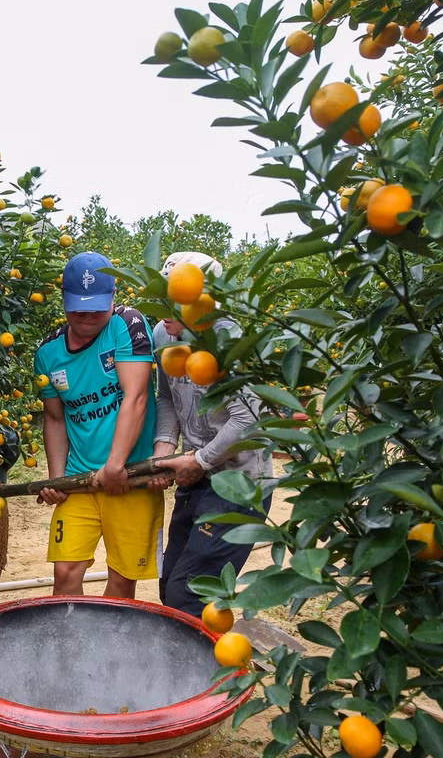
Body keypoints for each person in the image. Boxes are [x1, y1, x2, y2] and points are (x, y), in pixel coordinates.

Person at [149, 252, 274, 617]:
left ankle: (203, 672)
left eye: (174, 303)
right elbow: (166, 397)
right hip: (197, 476)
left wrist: (200, 460)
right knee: (170, 582)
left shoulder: (229, 338)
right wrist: (163, 453)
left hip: (241, 483)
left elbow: (245, 420)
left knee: (188, 594)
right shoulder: (163, 333)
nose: (164, 313)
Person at [33, 251, 161, 599]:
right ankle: (68, 648)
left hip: (130, 476)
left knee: (121, 580)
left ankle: (109, 651)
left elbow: (135, 397)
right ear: (63, 300)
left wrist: (116, 465)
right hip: (80, 478)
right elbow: (55, 418)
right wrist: (57, 478)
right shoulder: (47, 352)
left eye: (96, 305)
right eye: (78, 306)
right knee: (65, 574)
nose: (87, 314)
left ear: (113, 297)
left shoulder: (127, 325)